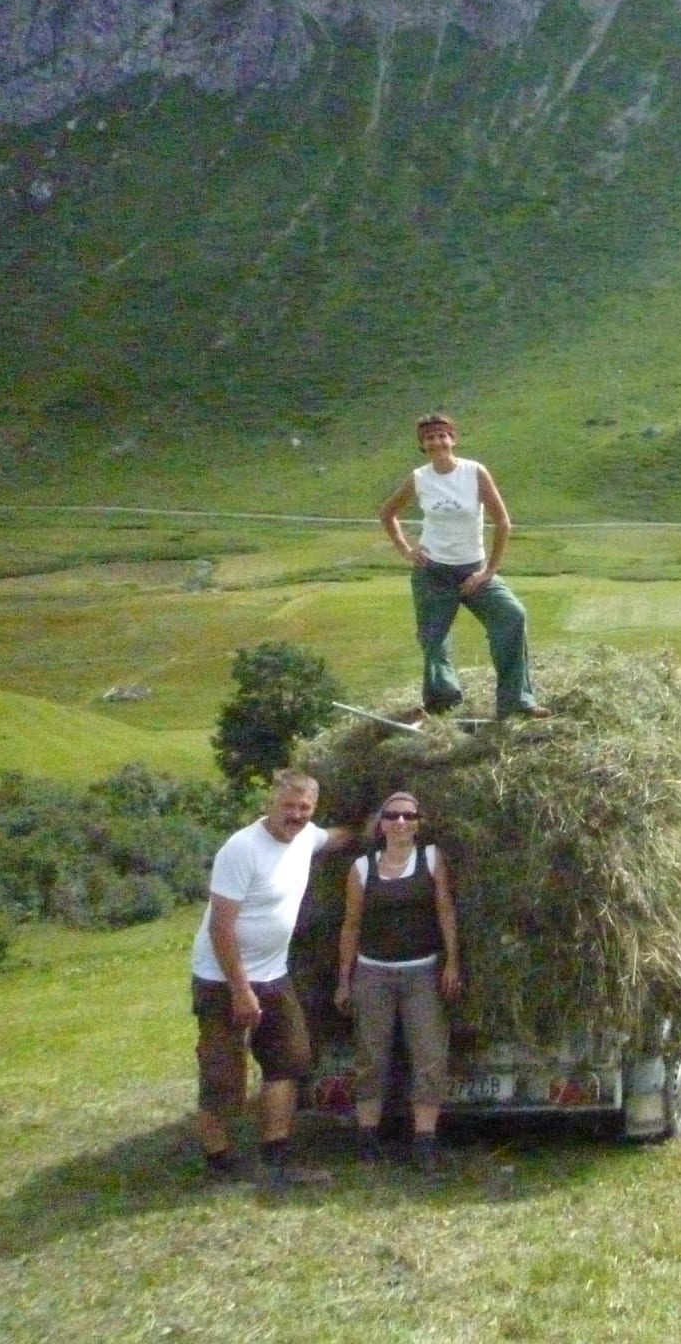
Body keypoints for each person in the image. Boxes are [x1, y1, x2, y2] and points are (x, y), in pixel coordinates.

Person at [190, 768, 353, 1188]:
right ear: (271, 803)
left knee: (289, 1061)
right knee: (222, 1073)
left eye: (304, 808)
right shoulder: (241, 849)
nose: (296, 815)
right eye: (288, 806)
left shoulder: (306, 837)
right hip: (222, 979)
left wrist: (377, 825)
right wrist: (241, 989)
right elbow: (221, 928)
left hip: (273, 975)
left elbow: (335, 838)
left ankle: (275, 1158)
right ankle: (220, 1163)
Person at [379, 412, 548, 719]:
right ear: (422, 445)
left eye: (442, 436)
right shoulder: (419, 478)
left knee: (512, 615)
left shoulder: (474, 472)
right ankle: (443, 706)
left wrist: (489, 571)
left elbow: (502, 522)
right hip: (432, 572)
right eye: (429, 438)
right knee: (434, 641)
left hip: (473, 570)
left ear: (453, 439)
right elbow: (387, 513)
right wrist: (406, 549)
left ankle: (516, 702)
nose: (436, 442)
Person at [332, 790, 463, 1173]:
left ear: (419, 823)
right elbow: (351, 926)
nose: (401, 822)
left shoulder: (432, 859)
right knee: (371, 1055)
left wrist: (452, 962)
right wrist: (344, 979)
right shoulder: (361, 868)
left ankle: (424, 1142)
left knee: (429, 1055)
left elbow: (445, 912)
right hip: (373, 973)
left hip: (423, 973)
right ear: (381, 824)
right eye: (392, 816)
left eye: (408, 816)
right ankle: (367, 1140)